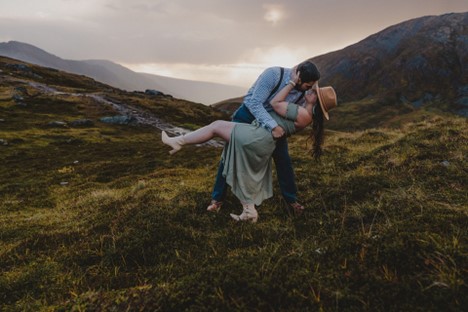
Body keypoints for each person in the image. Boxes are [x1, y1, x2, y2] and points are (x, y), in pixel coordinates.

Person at [161, 69, 337, 223]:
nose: (311, 90)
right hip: (260, 128)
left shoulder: (303, 112)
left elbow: (275, 103)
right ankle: (239, 207)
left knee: (218, 129)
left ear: (315, 102)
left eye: (314, 91)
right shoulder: (286, 89)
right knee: (232, 153)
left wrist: (291, 83)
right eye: (311, 87)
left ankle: (179, 142)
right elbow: (258, 104)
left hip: (260, 134)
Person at [207, 60, 321, 215]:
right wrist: (272, 125)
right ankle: (217, 199)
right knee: (228, 155)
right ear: (299, 79)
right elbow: (255, 103)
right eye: (308, 86)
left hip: (274, 123)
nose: (309, 90)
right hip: (248, 115)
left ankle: (291, 201)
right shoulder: (273, 74)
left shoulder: (304, 91)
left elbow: (296, 113)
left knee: (283, 159)